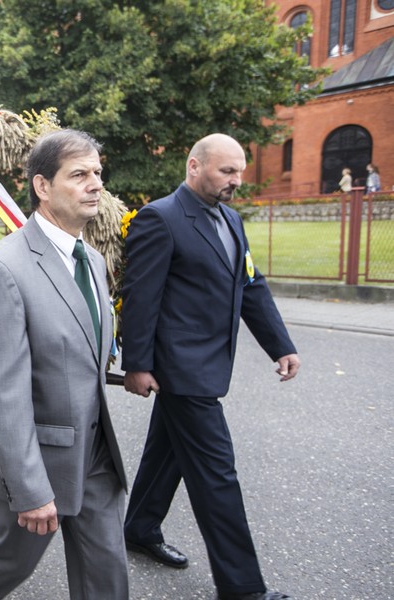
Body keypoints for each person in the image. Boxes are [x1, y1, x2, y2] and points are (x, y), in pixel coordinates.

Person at [0, 130, 128, 600]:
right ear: (43, 187)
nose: (95, 185)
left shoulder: (95, 262)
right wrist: (29, 488)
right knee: (11, 560)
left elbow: (84, 346)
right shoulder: (4, 269)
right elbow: (1, 391)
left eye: (97, 173)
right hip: (41, 457)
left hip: (96, 450)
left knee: (107, 568)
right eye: (79, 175)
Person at [121, 133, 300, 600]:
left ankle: (139, 529)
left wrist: (281, 345)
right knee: (218, 474)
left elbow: (252, 287)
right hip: (181, 371)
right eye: (227, 171)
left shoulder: (232, 220)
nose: (237, 180)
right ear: (194, 166)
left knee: (168, 452)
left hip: (208, 364)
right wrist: (137, 364)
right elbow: (141, 298)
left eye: (240, 171)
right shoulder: (159, 218)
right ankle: (242, 588)